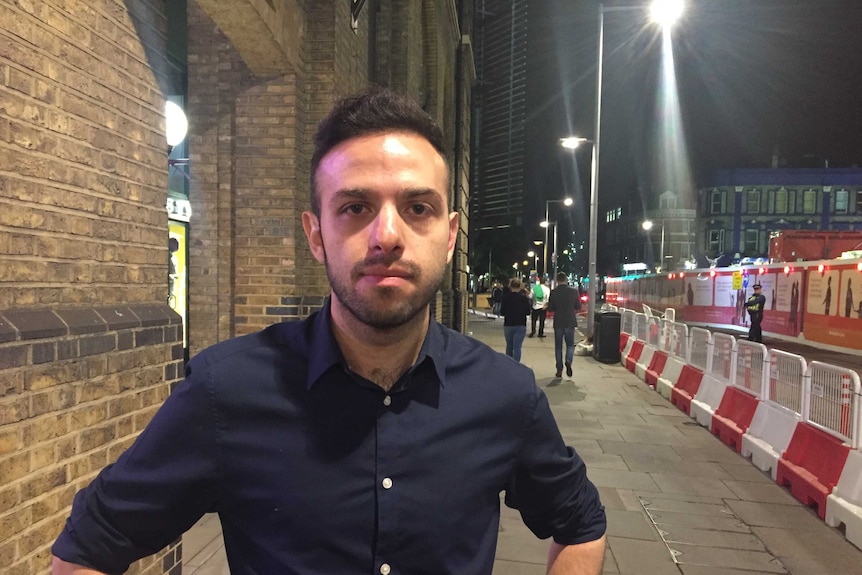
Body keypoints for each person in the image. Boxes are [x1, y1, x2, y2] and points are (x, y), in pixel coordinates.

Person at [51, 89, 606, 575]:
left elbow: (580, 521)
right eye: (356, 207)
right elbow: (88, 546)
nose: (387, 235)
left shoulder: (505, 395)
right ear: (315, 235)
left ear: (450, 235)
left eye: (417, 207)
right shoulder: (228, 391)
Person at [547, 272, 582, 378]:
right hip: (570, 321)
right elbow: (578, 306)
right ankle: (568, 360)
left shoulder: (554, 292)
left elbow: (550, 308)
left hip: (558, 322)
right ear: (566, 280)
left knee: (558, 347)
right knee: (570, 345)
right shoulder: (574, 292)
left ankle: (559, 369)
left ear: (557, 280)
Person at [500, 277, 531, 361]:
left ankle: (509, 365)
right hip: (520, 324)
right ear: (520, 286)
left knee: (509, 346)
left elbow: (502, 312)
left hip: (508, 325)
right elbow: (528, 312)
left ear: (510, 286)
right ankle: (516, 365)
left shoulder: (506, 297)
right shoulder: (524, 298)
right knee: (517, 347)